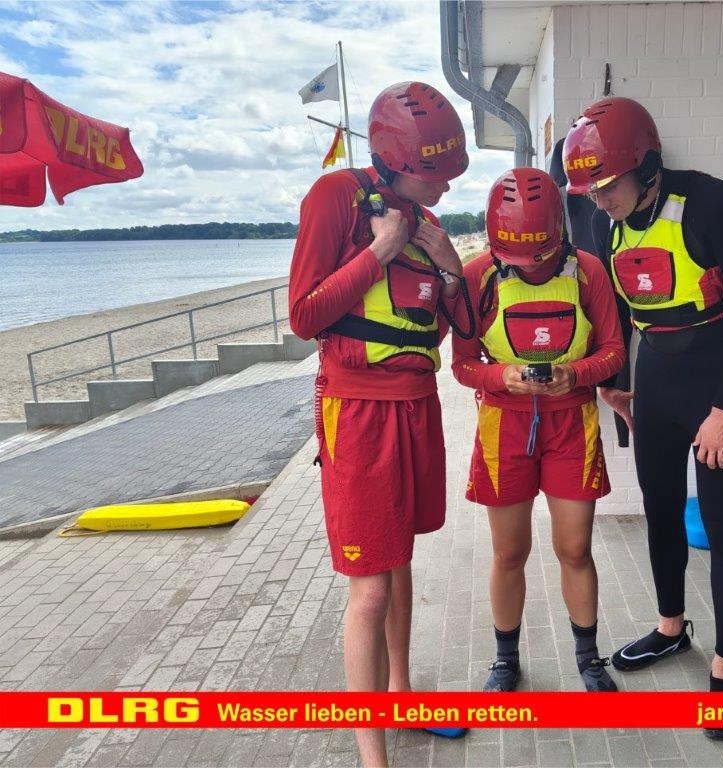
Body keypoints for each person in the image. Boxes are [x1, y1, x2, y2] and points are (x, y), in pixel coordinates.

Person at [563, 97, 723, 740]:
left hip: (717, 384)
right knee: (660, 511)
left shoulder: (711, 204)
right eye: (589, 191)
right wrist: (617, 383)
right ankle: (670, 627)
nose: (598, 200)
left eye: (607, 185)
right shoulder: (605, 223)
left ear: (647, 165)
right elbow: (622, 308)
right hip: (656, 381)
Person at [288, 81, 470, 766]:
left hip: (418, 406)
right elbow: (303, 316)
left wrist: (450, 272)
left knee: (400, 561)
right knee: (369, 587)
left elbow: (448, 332)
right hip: (359, 412)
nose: (446, 187)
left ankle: (402, 696)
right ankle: (373, 756)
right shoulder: (336, 197)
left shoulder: (424, 220)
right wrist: (380, 251)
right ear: (395, 160)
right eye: (434, 174)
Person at [452, 168, 626, 693]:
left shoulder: (588, 271)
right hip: (503, 427)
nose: (530, 266)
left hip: (572, 424)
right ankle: (505, 660)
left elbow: (614, 351)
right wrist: (500, 377)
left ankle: (588, 658)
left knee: (575, 549)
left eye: (541, 256)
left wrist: (576, 374)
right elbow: (462, 364)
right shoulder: (478, 276)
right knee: (509, 553)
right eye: (518, 258)